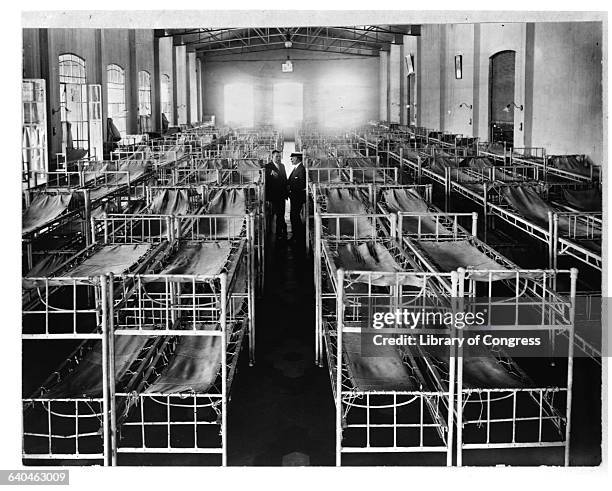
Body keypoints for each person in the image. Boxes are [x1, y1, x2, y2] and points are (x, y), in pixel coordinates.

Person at [264, 149, 288, 240]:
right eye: (276, 156)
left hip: (282, 194)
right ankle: (280, 232)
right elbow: (262, 170)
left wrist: (287, 189)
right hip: (274, 195)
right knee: (278, 213)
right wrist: (270, 172)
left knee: (281, 213)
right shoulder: (268, 166)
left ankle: (282, 230)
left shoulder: (282, 166)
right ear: (272, 157)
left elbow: (285, 178)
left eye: (279, 156)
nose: (278, 158)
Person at [288, 152, 306, 242]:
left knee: (295, 216)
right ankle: (296, 235)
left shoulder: (301, 169)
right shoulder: (297, 168)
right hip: (294, 197)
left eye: (292, 158)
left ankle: (298, 236)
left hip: (297, 197)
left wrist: (291, 190)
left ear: (298, 158)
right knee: (294, 216)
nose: (291, 159)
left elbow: (302, 184)